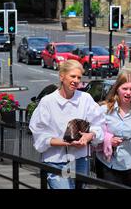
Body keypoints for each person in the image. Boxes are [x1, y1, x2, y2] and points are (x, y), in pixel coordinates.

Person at [29, 60, 105, 189]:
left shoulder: (85, 99)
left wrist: (90, 135)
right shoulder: (48, 102)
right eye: (72, 76)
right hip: (55, 160)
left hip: (80, 159)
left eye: (79, 77)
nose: (76, 80)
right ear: (62, 76)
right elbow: (39, 133)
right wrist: (66, 142)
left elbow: (99, 125)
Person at [95, 70, 131, 187]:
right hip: (106, 162)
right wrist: (108, 141)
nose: (128, 93)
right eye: (125, 88)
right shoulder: (104, 109)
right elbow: (95, 135)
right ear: (117, 88)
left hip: (128, 164)